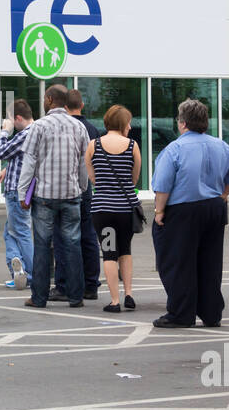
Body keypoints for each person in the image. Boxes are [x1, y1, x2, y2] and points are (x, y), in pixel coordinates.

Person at [151, 99, 229, 327]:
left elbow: (163, 185)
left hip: (183, 210)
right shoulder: (220, 145)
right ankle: (211, 312)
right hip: (213, 206)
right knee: (210, 262)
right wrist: (223, 195)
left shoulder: (174, 148)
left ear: (183, 123)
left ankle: (181, 314)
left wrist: (159, 211)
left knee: (177, 262)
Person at [17, 83, 90, 308]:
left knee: (42, 245)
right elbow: (83, 162)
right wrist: (81, 186)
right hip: (71, 195)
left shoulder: (39, 127)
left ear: (49, 100)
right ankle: (76, 296)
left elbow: (29, 162)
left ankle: (39, 297)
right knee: (73, 245)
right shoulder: (78, 127)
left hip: (45, 196)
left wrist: (22, 193)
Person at [86, 104, 141, 313]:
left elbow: (92, 178)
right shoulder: (132, 145)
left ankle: (115, 301)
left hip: (104, 211)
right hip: (126, 210)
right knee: (125, 250)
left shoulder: (94, 145)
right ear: (123, 123)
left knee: (109, 253)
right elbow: (134, 178)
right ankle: (129, 294)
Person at [53, 88, 103, 301]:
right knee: (88, 236)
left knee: (63, 238)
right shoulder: (92, 129)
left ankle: (64, 284)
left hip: (64, 189)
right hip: (86, 190)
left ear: (65, 107)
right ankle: (91, 284)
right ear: (81, 105)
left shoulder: (60, 127)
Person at [0, 99, 36, 289]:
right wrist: (7, 168)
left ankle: (29, 274)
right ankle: (18, 269)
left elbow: (1, 151)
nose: (9, 122)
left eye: (11, 119)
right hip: (25, 189)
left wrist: (4, 131)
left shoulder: (25, 133)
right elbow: (20, 158)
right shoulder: (36, 131)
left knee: (20, 232)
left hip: (16, 191)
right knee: (10, 232)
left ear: (18, 118)